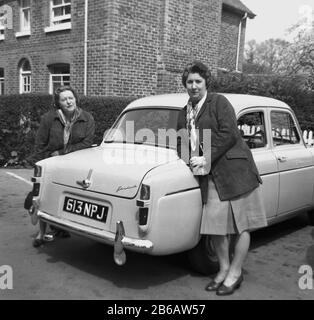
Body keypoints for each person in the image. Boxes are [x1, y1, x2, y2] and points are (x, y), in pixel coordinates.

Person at [176, 61, 267, 296]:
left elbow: (229, 133)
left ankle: (235, 272)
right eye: (189, 82)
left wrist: (204, 157)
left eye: (198, 81)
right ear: (185, 85)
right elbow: (180, 142)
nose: (194, 86)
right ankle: (223, 269)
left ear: (206, 83)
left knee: (242, 225)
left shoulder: (218, 103)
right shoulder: (183, 113)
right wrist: (190, 160)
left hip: (236, 172)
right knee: (215, 228)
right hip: (210, 177)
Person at [27, 85, 95, 248]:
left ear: (76, 99)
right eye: (64, 99)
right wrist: (42, 162)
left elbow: (87, 143)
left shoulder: (87, 118)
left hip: (76, 164)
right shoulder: (49, 118)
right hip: (52, 163)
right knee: (44, 196)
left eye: (70, 98)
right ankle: (42, 232)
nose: (68, 101)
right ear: (58, 102)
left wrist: (62, 152)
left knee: (68, 197)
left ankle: (61, 227)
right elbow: (40, 143)